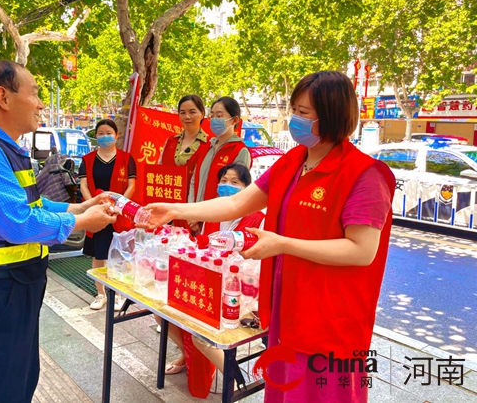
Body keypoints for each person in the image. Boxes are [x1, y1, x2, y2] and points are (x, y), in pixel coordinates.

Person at [143, 71, 395, 403]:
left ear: (332, 116)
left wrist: (282, 244)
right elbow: (236, 202)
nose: (294, 119)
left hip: (332, 322)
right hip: (286, 311)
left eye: (304, 113)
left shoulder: (365, 174)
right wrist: (177, 211)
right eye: (294, 109)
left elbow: (362, 250)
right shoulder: (292, 162)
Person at [0, 60, 116, 403]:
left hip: (10, 290)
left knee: (16, 385)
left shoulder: (1, 146)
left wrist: (76, 208)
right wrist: (81, 222)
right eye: (34, 93)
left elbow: (29, 204)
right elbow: (17, 222)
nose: (39, 103)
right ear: (3, 98)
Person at [161, 162, 264, 378]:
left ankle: (234, 382)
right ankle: (185, 355)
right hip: (210, 281)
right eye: (223, 181)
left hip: (242, 292)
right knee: (163, 314)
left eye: (235, 182)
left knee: (202, 335)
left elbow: (256, 268)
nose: (227, 186)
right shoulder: (212, 215)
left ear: (248, 189)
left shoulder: (258, 220)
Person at [79, 119, 136, 311]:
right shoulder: (87, 160)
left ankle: (118, 294)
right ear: (96, 136)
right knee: (99, 255)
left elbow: (131, 185)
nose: (105, 136)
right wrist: (94, 203)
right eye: (101, 133)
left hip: (119, 214)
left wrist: (118, 205)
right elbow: (84, 185)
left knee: (119, 254)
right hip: (96, 213)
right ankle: (101, 294)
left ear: (116, 135)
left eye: (109, 133)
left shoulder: (127, 159)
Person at [188, 96, 251, 234]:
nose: (214, 120)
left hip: (218, 222)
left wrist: (202, 215)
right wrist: (191, 212)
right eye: (212, 116)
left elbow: (236, 190)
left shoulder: (240, 151)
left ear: (234, 120)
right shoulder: (205, 147)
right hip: (194, 220)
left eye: (220, 116)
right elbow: (194, 181)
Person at [159, 94, 209, 212]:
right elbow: (160, 169)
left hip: (193, 208)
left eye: (192, 112)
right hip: (167, 205)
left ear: (202, 114)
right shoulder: (170, 141)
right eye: (182, 112)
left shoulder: (209, 144)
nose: (187, 116)